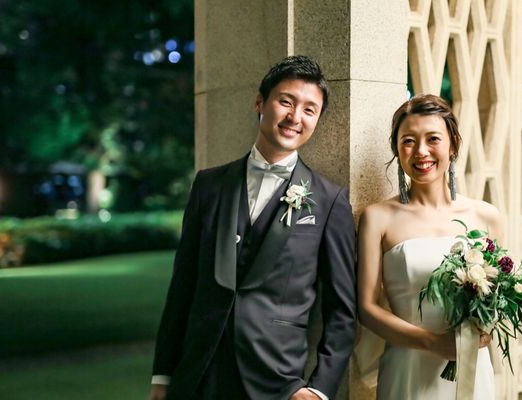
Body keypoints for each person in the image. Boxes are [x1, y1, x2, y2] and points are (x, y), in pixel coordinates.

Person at [149, 55, 357, 400]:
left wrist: (319, 389)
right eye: (286, 102)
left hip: (277, 381)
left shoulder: (329, 201)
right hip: (198, 376)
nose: (295, 117)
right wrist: (163, 375)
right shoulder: (208, 186)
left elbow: (342, 311)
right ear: (260, 102)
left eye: (309, 110)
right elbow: (183, 285)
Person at [357, 94, 499, 399]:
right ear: (397, 149)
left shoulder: (486, 216)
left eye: (433, 139)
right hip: (408, 369)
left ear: (453, 144)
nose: (421, 151)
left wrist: (487, 326)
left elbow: (499, 294)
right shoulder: (377, 218)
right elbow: (367, 309)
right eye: (408, 141)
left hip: (471, 367)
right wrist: (432, 342)